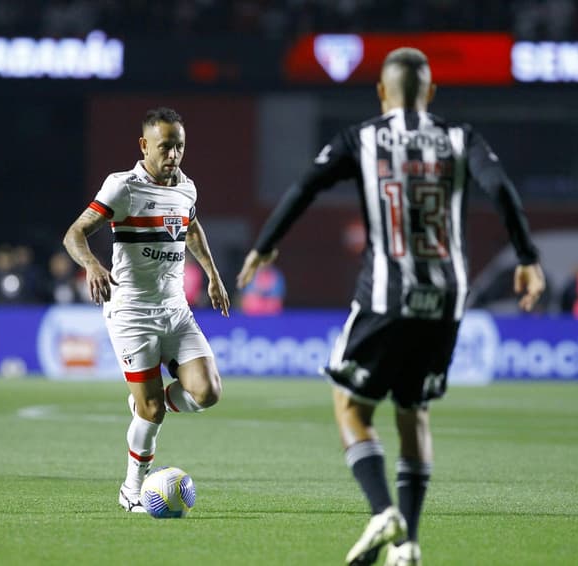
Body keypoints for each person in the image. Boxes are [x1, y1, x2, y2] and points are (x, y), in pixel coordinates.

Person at [237, 48, 545, 566]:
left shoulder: (362, 138)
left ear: (381, 91)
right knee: (413, 413)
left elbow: (304, 187)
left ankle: (382, 510)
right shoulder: (460, 137)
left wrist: (266, 245)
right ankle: (408, 546)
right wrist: (528, 258)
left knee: (349, 405)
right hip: (448, 300)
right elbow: (502, 191)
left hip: (386, 293)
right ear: (432, 93)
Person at [63, 107, 230, 512]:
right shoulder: (123, 187)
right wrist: (91, 264)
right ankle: (131, 488)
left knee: (208, 393)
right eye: (165, 147)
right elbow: (75, 233)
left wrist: (212, 274)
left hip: (175, 311)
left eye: (179, 147)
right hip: (132, 314)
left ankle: (144, 401)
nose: (173, 155)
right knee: (152, 410)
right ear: (144, 145)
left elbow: (190, 227)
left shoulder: (186, 188)